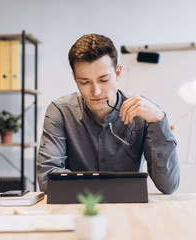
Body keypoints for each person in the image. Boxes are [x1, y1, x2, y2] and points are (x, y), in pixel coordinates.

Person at [37, 33, 179, 194]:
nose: (95, 91)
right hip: (77, 212)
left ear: (118, 73)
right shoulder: (60, 111)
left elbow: (168, 186)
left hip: (129, 212)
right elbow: (47, 180)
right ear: (74, 78)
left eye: (104, 79)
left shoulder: (143, 113)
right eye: (84, 82)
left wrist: (160, 122)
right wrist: (110, 189)